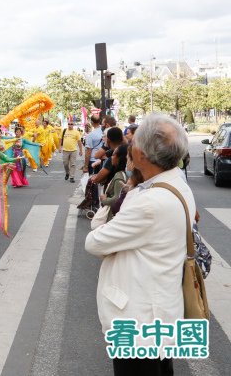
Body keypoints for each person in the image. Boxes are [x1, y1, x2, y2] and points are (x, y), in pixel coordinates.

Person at [85, 114, 194, 375]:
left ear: (142, 154)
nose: (129, 143)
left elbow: (95, 241)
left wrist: (129, 190)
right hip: (159, 311)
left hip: (139, 322)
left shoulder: (149, 202)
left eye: (134, 141)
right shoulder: (177, 183)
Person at [97, 144, 128, 222]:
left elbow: (117, 198)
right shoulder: (122, 173)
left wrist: (104, 200)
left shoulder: (119, 176)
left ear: (119, 158)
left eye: (114, 155)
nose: (112, 157)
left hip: (112, 215)